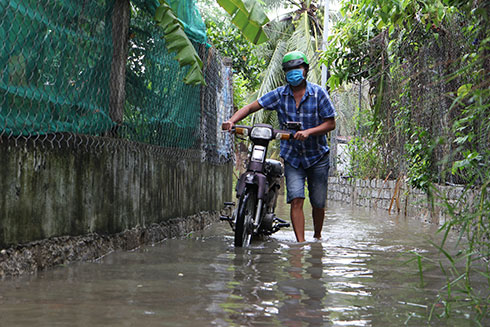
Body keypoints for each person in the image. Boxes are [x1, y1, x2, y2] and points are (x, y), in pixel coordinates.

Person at [222, 51, 336, 242]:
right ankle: (300, 246)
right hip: (292, 157)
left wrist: (308, 132)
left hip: (317, 157)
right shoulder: (279, 95)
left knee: (317, 202)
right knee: (297, 199)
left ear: (305, 70)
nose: (293, 73)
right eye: (289, 70)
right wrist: (231, 121)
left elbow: (330, 123)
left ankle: (317, 237)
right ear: (285, 73)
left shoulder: (318, 94)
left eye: (297, 69)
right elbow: (251, 107)